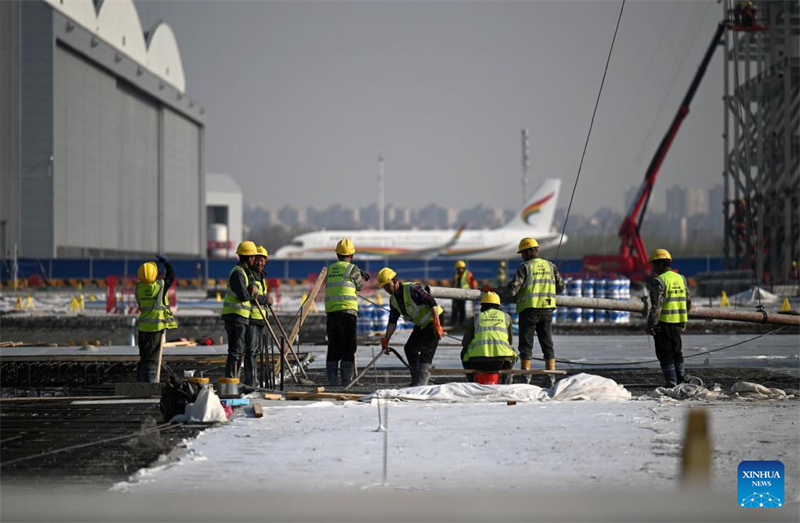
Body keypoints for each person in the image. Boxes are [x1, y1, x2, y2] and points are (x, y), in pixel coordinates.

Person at [484, 237, 564, 376]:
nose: (522, 256)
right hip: (547, 310)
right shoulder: (551, 266)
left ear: (527, 252)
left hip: (529, 310)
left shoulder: (525, 267)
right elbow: (560, 287)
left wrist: (493, 290)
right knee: (547, 344)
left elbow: (511, 290)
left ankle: (525, 377)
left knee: (526, 346)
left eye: (522, 253)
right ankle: (551, 376)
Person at [378, 267, 444, 386]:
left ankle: (421, 385)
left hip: (433, 319)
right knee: (410, 349)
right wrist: (386, 339)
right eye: (384, 287)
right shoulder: (393, 300)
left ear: (395, 281)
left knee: (426, 352)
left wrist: (437, 323)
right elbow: (392, 321)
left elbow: (431, 301)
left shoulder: (412, 289)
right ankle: (416, 382)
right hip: (421, 324)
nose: (387, 289)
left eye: (388, 285)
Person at [324, 238, 367, 386]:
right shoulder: (353, 269)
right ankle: (346, 382)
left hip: (331, 313)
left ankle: (332, 382)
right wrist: (360, 274)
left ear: (337, 254)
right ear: (352, 255)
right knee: (349, 347)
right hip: (347, 313)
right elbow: (360, 286)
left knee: (334, 346)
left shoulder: (330, 269)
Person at [646, 248, 692, 388]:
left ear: (659, 264)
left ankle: (671, 383)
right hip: (678, 323)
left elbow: (656, 306)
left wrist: (650, 325)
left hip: (663, 324)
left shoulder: (659, 281)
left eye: (654, 264)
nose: (653, 268)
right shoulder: (681, 278)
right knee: (677, 352)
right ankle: (681, 380)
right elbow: (687, 301)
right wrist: (684, 319)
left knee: (665, 355)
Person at [221, 241, 266, 379]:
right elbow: (243, 295)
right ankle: (231, 382)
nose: (256, 260)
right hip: (235, 316)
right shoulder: (238, 273)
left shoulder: (245, 272)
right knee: (235, 352)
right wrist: (254, 294)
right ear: (249, 257)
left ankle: (234, 381)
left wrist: (252, 286)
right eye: (253, 256)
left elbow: (250, 282)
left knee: (238, 351)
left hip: (241, 317)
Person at [135, 254, 178, 382]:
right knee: (153, 359)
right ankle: (151, 385)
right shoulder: (159, 286)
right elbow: (171, 276)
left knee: (144, 358)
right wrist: (167, 263)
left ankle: (141, 385)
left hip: (142, 328)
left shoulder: (139, 288)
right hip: (155, 328)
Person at [461, 292, 517, 384]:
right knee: (511, 352)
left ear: (482, 306)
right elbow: (509, 341)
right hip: (501, 362)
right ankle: (507, 383)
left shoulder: (476, 318)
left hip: (478, 362)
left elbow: (465, 343)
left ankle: (471, 382)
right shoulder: (506, 317)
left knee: (464, 353)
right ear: (498, 306)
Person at [244, 245, 272, 387]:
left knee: (261, 352)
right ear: (252, 259)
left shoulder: (262, 276)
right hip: (252, 318)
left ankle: (261, 381)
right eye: (257, 260)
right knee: (251, 351)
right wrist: (265, 299)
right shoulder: (250, 275)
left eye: (262, 260)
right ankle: (251, 382)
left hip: (262, 318)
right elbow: (252, 295)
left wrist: (267, 301)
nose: (260, 263)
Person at [451, 260, 477, 326]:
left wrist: (474, 291)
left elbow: (472, 282)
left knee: (462, 308)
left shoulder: (468, 274)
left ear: (464, 268)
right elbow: (453, 282)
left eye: (461, 268)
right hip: (456, 293)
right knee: (454, 307)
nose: (460, 270)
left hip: (463, 293)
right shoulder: (456, 275)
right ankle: (454, 322)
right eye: (459, 268)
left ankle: (461, 322)